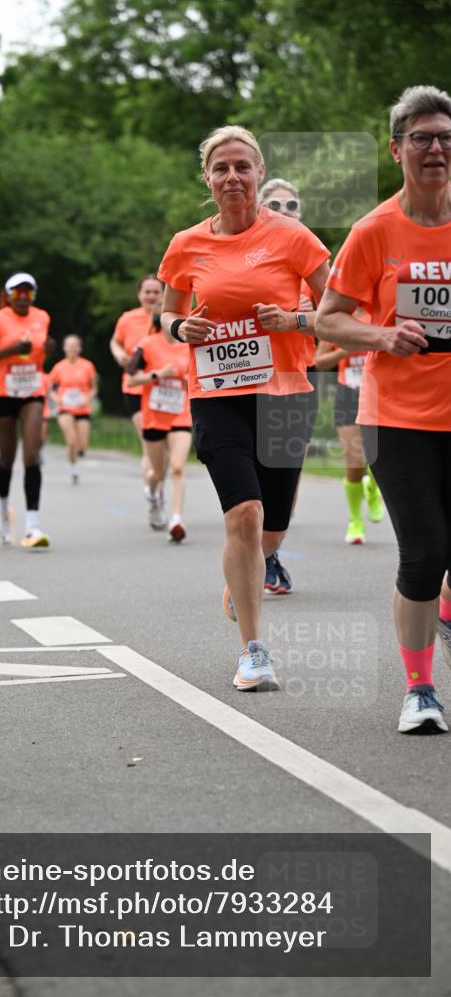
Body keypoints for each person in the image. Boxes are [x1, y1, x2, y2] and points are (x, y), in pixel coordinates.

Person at [158, 124, 329, 691]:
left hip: (284, 394)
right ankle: (254, 651)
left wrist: (296, 321)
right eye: (221, 168)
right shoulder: (187, 244)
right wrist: (181, 326)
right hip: (217, 396)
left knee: (272, 528)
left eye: (242, 166)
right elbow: (167, 313)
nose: (232, 176)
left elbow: (338, 308)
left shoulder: (294, 237)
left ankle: (245, 574)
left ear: (258, 173)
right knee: (245, 515)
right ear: (207, 179)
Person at [316, 85, 451, 733]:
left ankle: (440, 615)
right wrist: (380, 335)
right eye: (422, 138)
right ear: (395, 149)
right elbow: (327, 319)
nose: (436, 148)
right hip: (396, 418)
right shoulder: (373, 231)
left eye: (445, 138)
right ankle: (419, 688)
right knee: (424, 554)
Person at [257, 178, 320, 594]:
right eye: (274, 202)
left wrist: (300, 318)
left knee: (284, 473)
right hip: (252, 375)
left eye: (291, 204)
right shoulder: (247, 259)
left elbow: (340, 320)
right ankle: (255, 549)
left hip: (300, 375)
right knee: (253, 473)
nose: (283, 208)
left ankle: (270, 551)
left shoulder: (312, 266)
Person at [0, 272, 55, 548]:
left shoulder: (42, 317)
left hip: (32, 391)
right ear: (7, 296)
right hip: (4, 392)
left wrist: (49, 349)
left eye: (28, 293)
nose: (22, 298)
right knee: (6, 458)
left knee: (31, 454)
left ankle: (32, 525)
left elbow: (39, 354)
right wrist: (9, 351)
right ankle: (5, 514)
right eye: (17, 293)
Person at [126, 311, 192, 540]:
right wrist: (158, 374)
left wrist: (187, 381)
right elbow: (131, 379)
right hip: (154, 417)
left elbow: (200, 377)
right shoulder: (147, 345)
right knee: (159, 472)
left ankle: (176, 519)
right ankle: (153, 495)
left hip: (180, 415)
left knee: (177, 467)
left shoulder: (189, 346)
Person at [316, 327, 385, 544]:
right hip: (348, 396)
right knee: (355, 463)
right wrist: (344, 351)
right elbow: (320, 362)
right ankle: (356, 521)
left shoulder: (378, 315)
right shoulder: (338, 317)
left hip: (380, 392)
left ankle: (373, 488)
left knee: (380, 458)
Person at [110, 275, 164, 493]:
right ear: (139, 294)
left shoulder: (171, 317)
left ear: (163, 295)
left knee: (165, 451)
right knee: (149, 446)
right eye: (147, 292)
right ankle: (154, 494)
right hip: (136, 388)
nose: (151, 296)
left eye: (156, 292)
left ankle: (156, 486)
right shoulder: (128, 319)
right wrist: (118, 353)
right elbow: (114, 340)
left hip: (168, 391)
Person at [48, 335, 98, 484]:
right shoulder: (59, 367)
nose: (72, 348)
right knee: (71, 440)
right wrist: (56, 398)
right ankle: (74, 467)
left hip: (82, 408)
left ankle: (77, 454)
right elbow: (51, 388)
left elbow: (94, 388)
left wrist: (87, 398)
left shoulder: (88, 366)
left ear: (80, 348)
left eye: (75, 345)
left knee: (82, 445)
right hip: (65, 407)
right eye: (69, 346)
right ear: (64, 348)